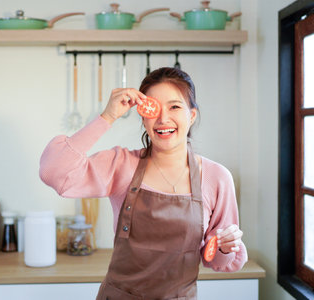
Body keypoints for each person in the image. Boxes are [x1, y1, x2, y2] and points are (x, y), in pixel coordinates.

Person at [39, 67, 247, 299]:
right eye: (154, 108)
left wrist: (225, 247)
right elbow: (53, 171)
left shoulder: (216, 177)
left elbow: (218, 261)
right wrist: (107, 117)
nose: (163, 119)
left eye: (175, 107)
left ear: (192, 115)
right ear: (143, 115)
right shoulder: (121, 164)